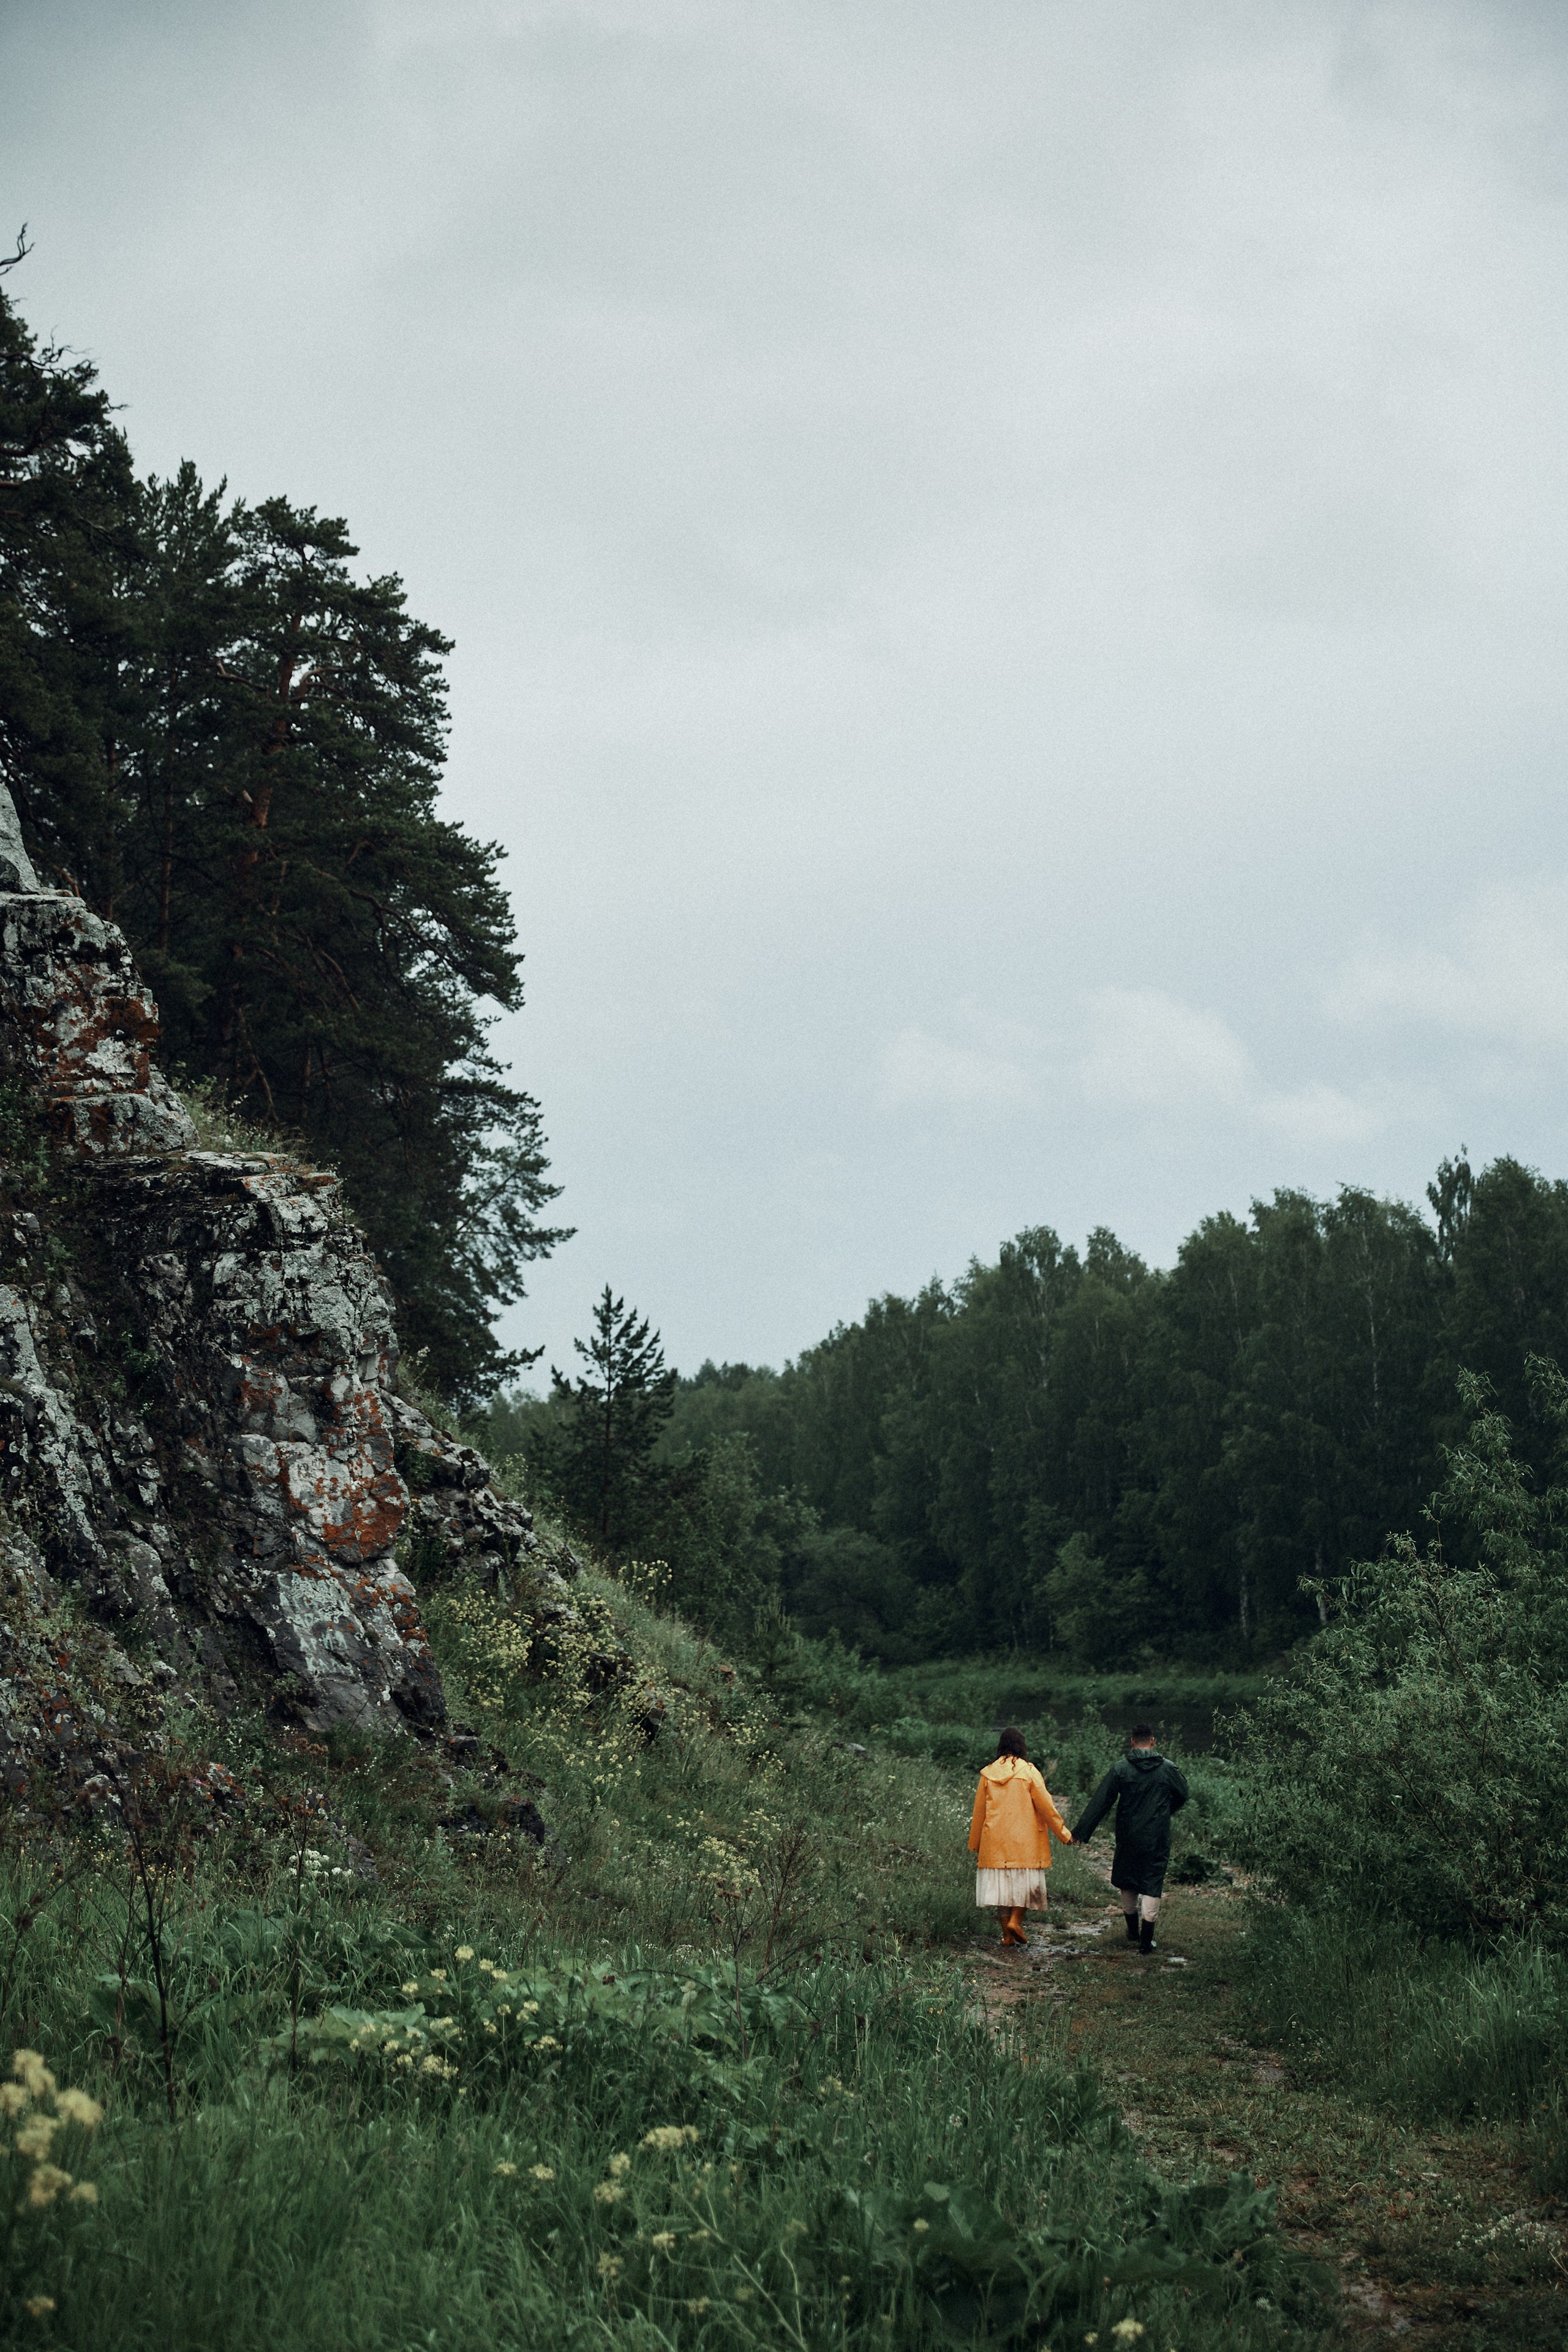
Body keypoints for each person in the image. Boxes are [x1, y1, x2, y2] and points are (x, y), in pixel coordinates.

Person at [1071, 1723, 1188, 1953]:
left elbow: (1101, 1801)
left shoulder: (1121, 1769)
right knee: (1152, 1881)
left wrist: (1080, 1833)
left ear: (1132, 1742)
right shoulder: (1168, 1769)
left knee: (1127, 1878)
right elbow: (1183, 1794)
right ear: (1153, 1742)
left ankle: (1132, 1932)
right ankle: (1146, 1942)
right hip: (1157, 1835)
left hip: (1128, 1834)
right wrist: (1165, 1811)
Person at [967, 1726, 1072, 1947]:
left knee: (1002, 1890)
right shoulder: (1029, 1772)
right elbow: (1047, 1808)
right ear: (1022, 1746)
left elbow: (979, 1812)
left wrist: (976, 1843)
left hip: (994, 1843)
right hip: (1025, 1843)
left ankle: (1007, 1936)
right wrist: (1064, 1835)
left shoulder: (987, 1774)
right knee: (1024, 1887)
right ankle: (1016, 1921)